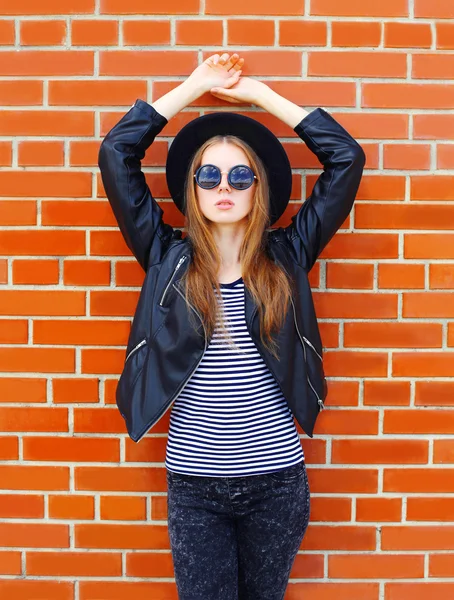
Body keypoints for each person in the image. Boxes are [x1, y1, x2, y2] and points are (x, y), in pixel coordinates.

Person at [99, 52, 365, 600]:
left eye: (240, 175)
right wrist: (193, 86)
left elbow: (346, 159)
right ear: (193, 188)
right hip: (195, 485)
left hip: (277, 482)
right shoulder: (163, 254)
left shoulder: (288, 255)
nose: (225, 186)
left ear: (257, 187)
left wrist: (260, 96)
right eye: (210, 175)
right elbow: (116, 151)